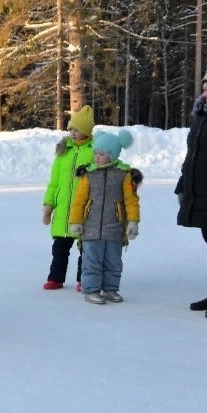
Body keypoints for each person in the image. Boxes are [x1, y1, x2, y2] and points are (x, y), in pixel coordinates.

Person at [68, 129, 140, 304]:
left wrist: (132, 222)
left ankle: (110, 289)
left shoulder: (124, 175)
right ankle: (91, 289)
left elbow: (131, 200)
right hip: (91, 226)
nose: (97, 157)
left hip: (115, 226)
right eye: (95, 153)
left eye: (101, 154)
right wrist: (75, 221)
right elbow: (79, 200)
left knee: (113, 261)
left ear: (113, 154)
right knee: (91, 260)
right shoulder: (89, 174)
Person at [175, 65, 207, 316]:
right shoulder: (200, 115)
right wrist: (183, 185)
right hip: (201, 191)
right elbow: (192, 154)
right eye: (205, 88)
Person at [42, 105, 96, 291]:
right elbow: (54, 182)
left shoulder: (94, 152)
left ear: (87, 131)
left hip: (84, 210)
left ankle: (84, 279)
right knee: (59, 248)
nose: (73, 133)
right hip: (63, 210)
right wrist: (49, 204)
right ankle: (55, 278)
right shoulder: (63, 152)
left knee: (86, 249)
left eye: (77, 130)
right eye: (71, 129)